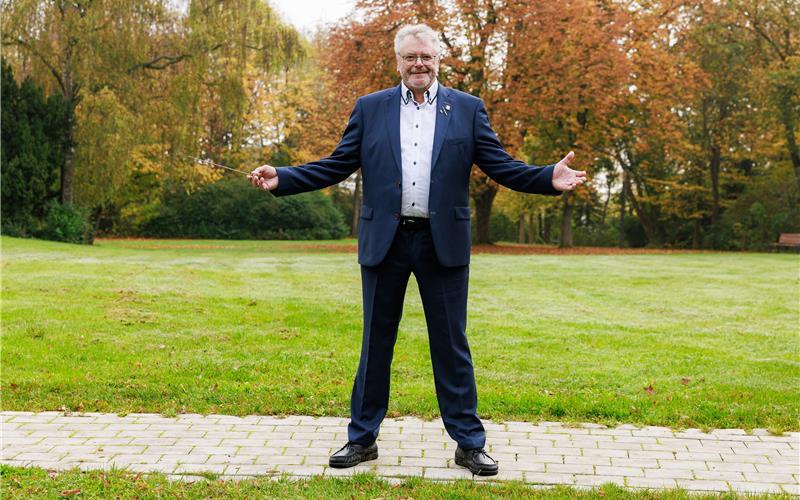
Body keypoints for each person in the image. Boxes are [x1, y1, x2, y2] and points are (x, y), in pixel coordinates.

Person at [248, 23, 587, 476]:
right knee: (376, 344)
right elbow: (337, 164)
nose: (419, 64)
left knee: (451, 345)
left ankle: (469, 443)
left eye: (426, 56)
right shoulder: (371, 109)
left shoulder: (466, 109)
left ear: (438, 59)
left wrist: (547, 177)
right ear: (398, 62)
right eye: (410, 57)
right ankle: (362, 439)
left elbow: (501, 165)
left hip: (441, 242)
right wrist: (283, 178)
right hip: (384, 243)